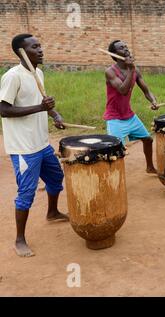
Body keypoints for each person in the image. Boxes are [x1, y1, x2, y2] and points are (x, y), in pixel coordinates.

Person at [0, 34, 68, 257]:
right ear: (22, 52)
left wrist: (55, 114)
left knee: (56, 178)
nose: (40, 50)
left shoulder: (38, 73)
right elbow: (4, 110)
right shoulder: (13, 77)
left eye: (40, 45)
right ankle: (19, 239)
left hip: (41, 143)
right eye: (34, 47)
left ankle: (52, 212)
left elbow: (43, 103)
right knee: (26, 193)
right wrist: (40, 108)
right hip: (23, 148)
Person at [104, 40, 159, 173]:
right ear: (115, 54)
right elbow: (123, 90)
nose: (126, 49)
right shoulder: (110, 72)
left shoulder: (134, 70)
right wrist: (131, 70)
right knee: (117, 151)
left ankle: (150, 167)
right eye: (121, 48)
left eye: (126, 46)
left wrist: (153, 100)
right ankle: (115, 178)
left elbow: (146, 90)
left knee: (148, 140)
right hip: (114, 118)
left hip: (129, 115)